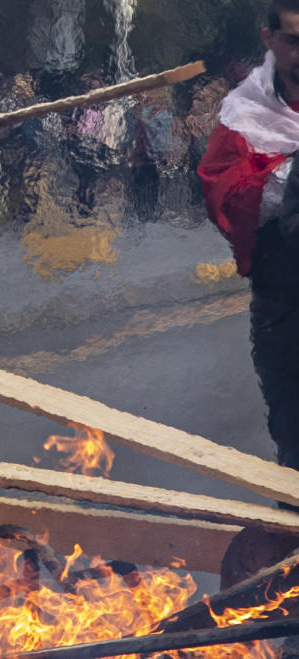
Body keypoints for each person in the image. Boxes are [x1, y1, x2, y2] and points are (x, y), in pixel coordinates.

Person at [199, 0, 299, 478]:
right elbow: (225, 192)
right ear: (270, 40)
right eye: (294, 41)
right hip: (286, 292)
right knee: (292, 424)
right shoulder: (246, 111)